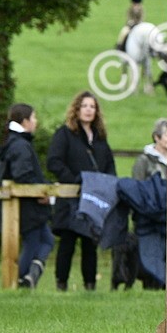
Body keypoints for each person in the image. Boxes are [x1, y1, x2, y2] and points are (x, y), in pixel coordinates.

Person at [47, 90, 116, 291]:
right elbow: (54, 162)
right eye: (84, 106)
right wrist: (76, 180)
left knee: (89, 243)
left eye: (92, 106)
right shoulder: (65, 134)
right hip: (71, 198)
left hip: (93, 198)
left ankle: (90, 286)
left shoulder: (100, 138)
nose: (88, 110)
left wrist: (106, 184)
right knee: (67, 242)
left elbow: (109, 165)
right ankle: (61, 284)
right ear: (76, 109)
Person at [0, 103, 54, 289]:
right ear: (25, 121)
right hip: (27, 204)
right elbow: (23, 175)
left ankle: (30, 274)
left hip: (27, 204)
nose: (36, 122)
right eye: (34, 118)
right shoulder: (20, 145)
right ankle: (21, 278)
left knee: (46, 240)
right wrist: (40, 192)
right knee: (34, 241)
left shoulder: (16, 142)